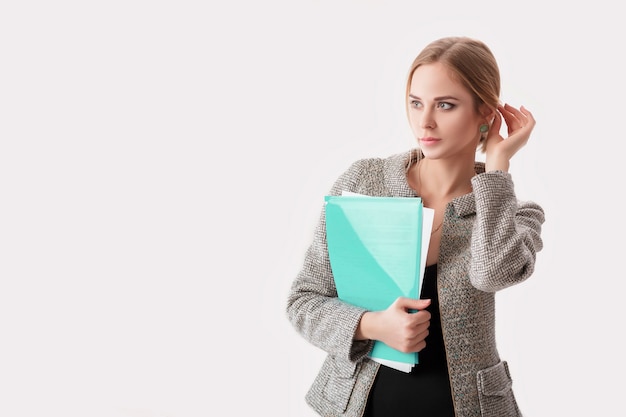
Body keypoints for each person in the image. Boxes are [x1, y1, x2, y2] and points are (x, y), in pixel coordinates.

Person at [285, 36, 545, 417]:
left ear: (485, 112)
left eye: (446, 105)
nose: (425, 121)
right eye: (416, 103)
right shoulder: (364, 184)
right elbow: (303, 302)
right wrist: (372, 325)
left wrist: (497, 167)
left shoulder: (511, 214)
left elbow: (492, 274)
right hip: (363, 407)